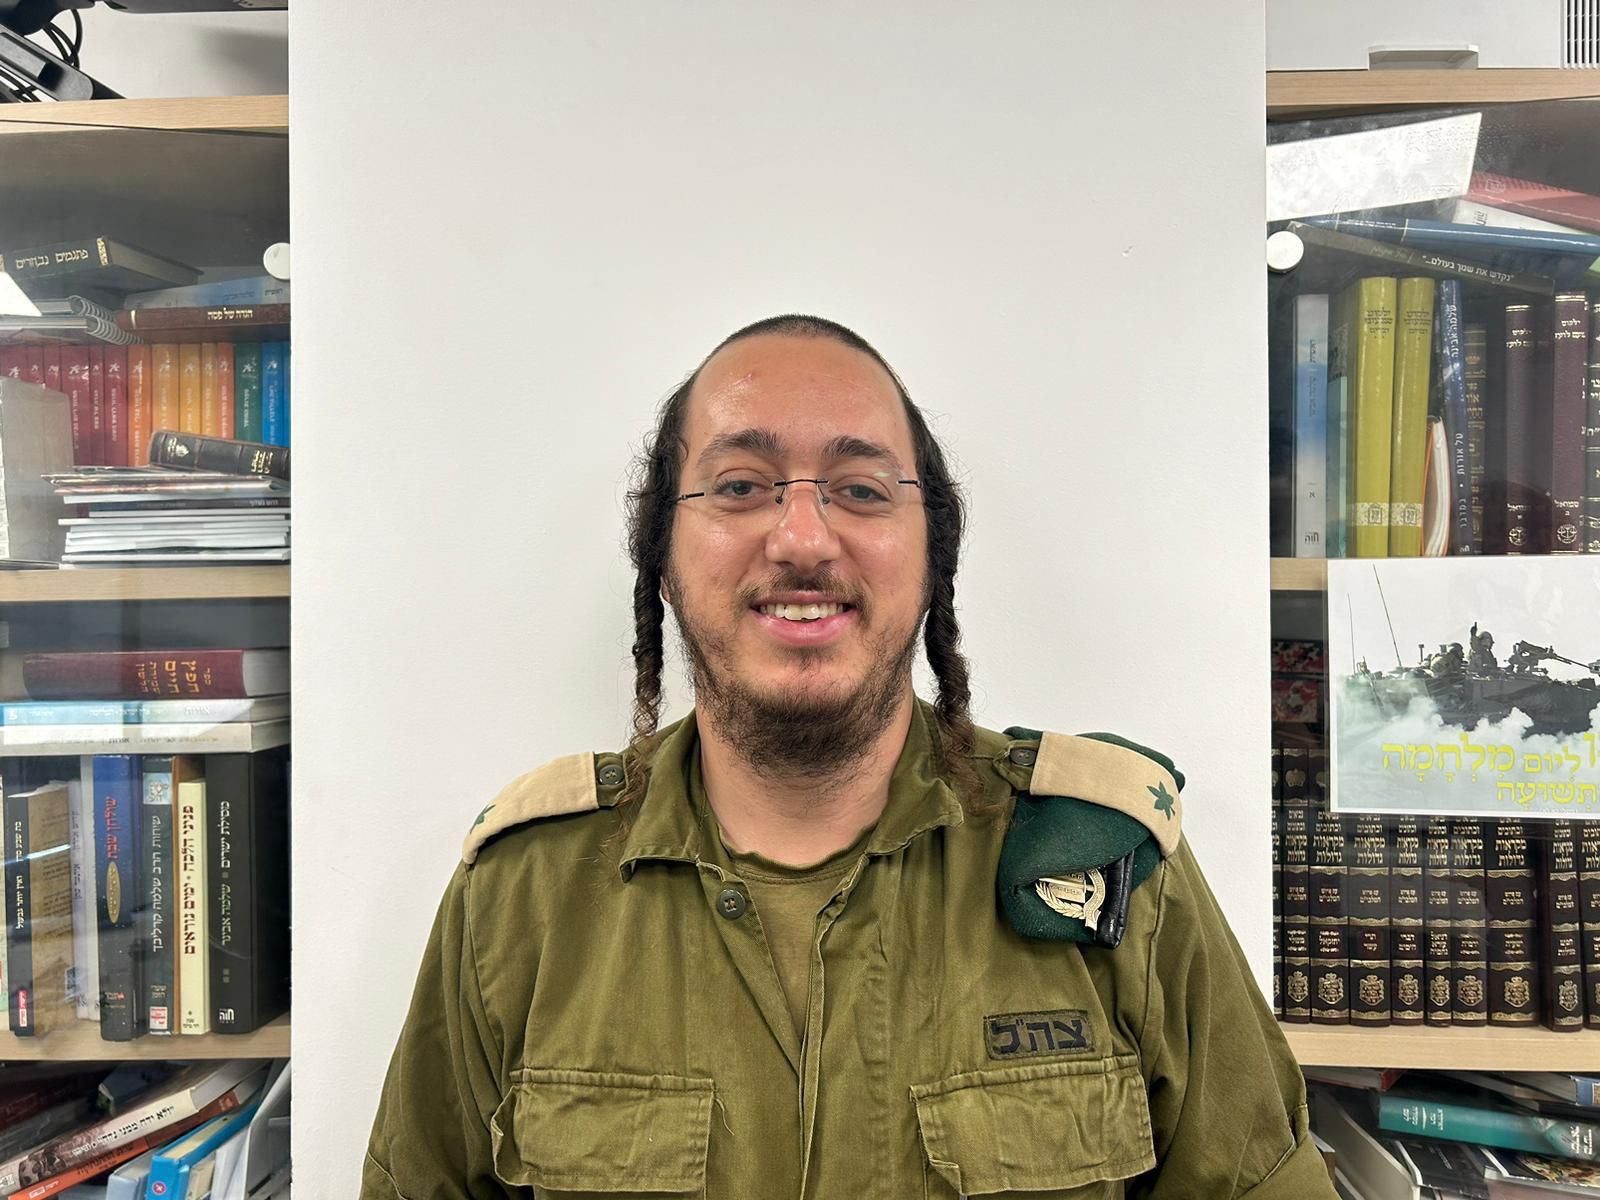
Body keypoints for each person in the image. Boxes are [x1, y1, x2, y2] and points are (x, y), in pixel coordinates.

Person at [361, 315, 1334, 1199]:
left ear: (931, 553)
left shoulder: (1105, 862)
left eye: (860, 490)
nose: (801, 538)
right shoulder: (521, 895)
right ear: (662, 553)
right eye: (740, 487)